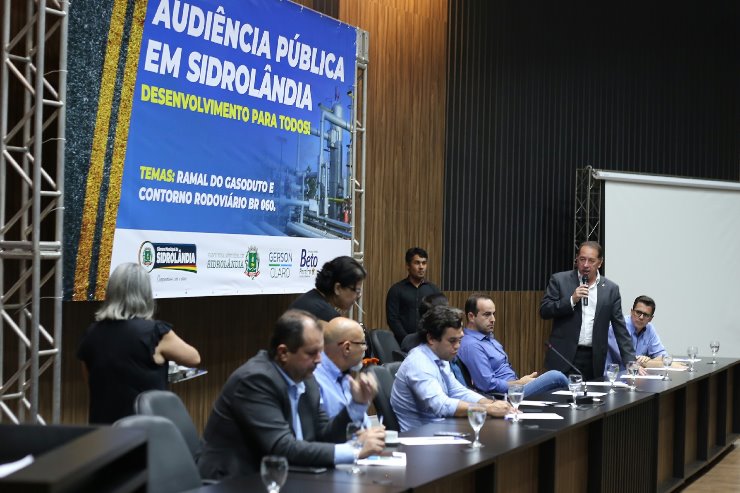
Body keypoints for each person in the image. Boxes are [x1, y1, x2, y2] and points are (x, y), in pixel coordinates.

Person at [198, 310, 384, 479]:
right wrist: (353, 451)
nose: (319, 360)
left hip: (288, 476)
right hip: (235, 482)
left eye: (320, 352)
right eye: (312, 353)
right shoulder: (255, 380)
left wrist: (357, 404)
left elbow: (324, 435)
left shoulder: (307, 380)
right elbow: (281, 447)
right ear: (283, 353)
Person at [77, 263, 201, 424]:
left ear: (111, 293)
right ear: (145, 295)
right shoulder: (155, 333)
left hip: (103, 432)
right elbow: (194, 358)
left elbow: (90, 380)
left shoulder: (91, 334)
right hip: (146, 433)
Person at [390, 305, 512, 432]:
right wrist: (486, 409)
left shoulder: (440, 356)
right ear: (431, 338)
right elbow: (441, 405)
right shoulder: (418, 364)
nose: (458, 346)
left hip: (443, 429)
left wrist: (491, 404)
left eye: (460, 340)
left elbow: (457, 391)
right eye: (452, 341)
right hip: (423, 439)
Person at [540, 241, 635, 381]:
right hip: (563, 356)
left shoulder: (610, 289)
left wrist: (630, 362)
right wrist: (571, 300)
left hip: (593, 358)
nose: (586, 265)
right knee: (560, 400)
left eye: (591, 261)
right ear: (576, 259)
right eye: (582, 259)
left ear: (600, 263)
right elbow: (544, 310)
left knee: (591, 401)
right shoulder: (560, 280)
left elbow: (620, 328)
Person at [458, 294, 568, 397]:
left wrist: (520, 382)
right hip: (503, 397)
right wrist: (519, 383)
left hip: (516, 387)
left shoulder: (487, 337)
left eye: (493, 314)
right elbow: (487, 385)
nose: (493, 319)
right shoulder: (471, 345)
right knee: (555, 377)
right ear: (471, 317)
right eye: (487, 315)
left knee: (556, 394)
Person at [313, 317, 373, 421]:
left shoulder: (344, 375)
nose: (365, 348)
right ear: (347, 348)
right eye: (363, 343)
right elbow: (325, 431)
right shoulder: (314, 380)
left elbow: (361, 423)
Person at [605, 295, 679, 371]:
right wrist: (646, 362)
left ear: (650, 319)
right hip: (614, 376)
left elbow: (662, 356)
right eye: (638, 312)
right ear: (631, 312)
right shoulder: (619, 327)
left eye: (646, 315)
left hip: (637, 376)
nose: (641, 317)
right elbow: (627, 359)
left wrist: (647, 360)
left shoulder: (649, 329)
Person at [386, 247, 442, 344]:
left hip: (429, 343)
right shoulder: (396, 290)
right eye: (417, 263)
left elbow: (440, 316)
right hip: (403, 344)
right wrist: (407, 340)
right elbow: (393, 319)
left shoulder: (434, 290)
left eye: (424, 263)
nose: (421, 267)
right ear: (408, 265)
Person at [289, 256, 366, 325]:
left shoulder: (308, 298)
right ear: (338, 288)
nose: (358, 296)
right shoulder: (328, 317)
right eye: (357, 290)